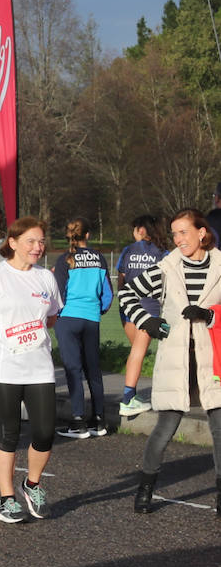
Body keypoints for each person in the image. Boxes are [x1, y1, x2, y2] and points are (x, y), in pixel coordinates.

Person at [120, 208, 221, 515]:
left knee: (219, 428)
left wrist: (210, 315)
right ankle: (146, 487)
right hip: (176, 359)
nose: (178, 239)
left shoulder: (220, 264)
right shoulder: (166, 267)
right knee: (165, 428)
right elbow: (127, 294)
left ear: (201, 233)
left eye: (183, 232)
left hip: (211, 360)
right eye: (174, 233)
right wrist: (147, 322)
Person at [0, 217, 64, 523]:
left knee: (45, 433)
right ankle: (6, 499)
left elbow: (51, 317)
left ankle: (31, 484)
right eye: (31, 241)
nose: (38, 247)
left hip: (39, 367)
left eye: (41, 242)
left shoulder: (46, 278)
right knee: (9, 433)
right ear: (13, 242)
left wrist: (32, 332)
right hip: (3, 366)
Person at [52, 218, 113, 438]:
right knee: (93, 370)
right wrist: (98, 310)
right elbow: (107, 294)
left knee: (73, 369)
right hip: (91, 318)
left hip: (68, 317)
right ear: (88, 235)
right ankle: (99, 420)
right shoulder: (99, 258)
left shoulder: (64, 260)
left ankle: (78, 421)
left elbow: (58, 293)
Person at [116, 215, 168, 417]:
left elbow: (120, 281)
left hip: (127, 307)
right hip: (149, 307)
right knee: (139, 352)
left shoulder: (128, 250)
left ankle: (133, 395)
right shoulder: (163, 253)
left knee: (135, 353)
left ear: (141, 230)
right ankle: (128, 399)